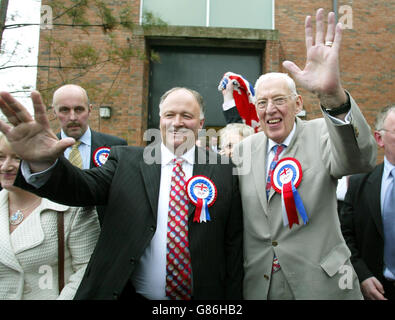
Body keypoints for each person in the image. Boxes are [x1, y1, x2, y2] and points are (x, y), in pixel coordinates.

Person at [0, 87, 243, 300]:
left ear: (201, 124)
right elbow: (81, 188)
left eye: (187, 116)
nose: (177, 122)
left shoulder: (223, 170)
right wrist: (44, 164)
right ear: (160, 120)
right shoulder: (125, 161)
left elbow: (232, 244)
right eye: (170, 114)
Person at [232, 8, 377, 299]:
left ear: (298, 103)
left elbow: (361, 159)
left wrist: (333, 96)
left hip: (324, 284)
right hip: (262, 287)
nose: (270, 109)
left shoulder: (324, 132)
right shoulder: (242, 151)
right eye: (262, 103)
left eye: (278, 100)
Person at [0, 133, 100, 299]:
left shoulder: (72, 208)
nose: (5, 166)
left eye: (17, 158)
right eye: (1, 157)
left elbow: (87, 272)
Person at [340, 105, 395, 300]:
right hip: (375, 290)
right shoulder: (359, 184)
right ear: (379, 138)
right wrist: (362, 275)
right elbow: (345, 236)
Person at [52, 84, 127, 225]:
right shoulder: (46, 150)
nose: (72, 117)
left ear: (90, 110)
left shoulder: (115, 147)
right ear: (54, 112)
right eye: (64, 110)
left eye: (79, 109)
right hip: (56, 233)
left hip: (100, 231)